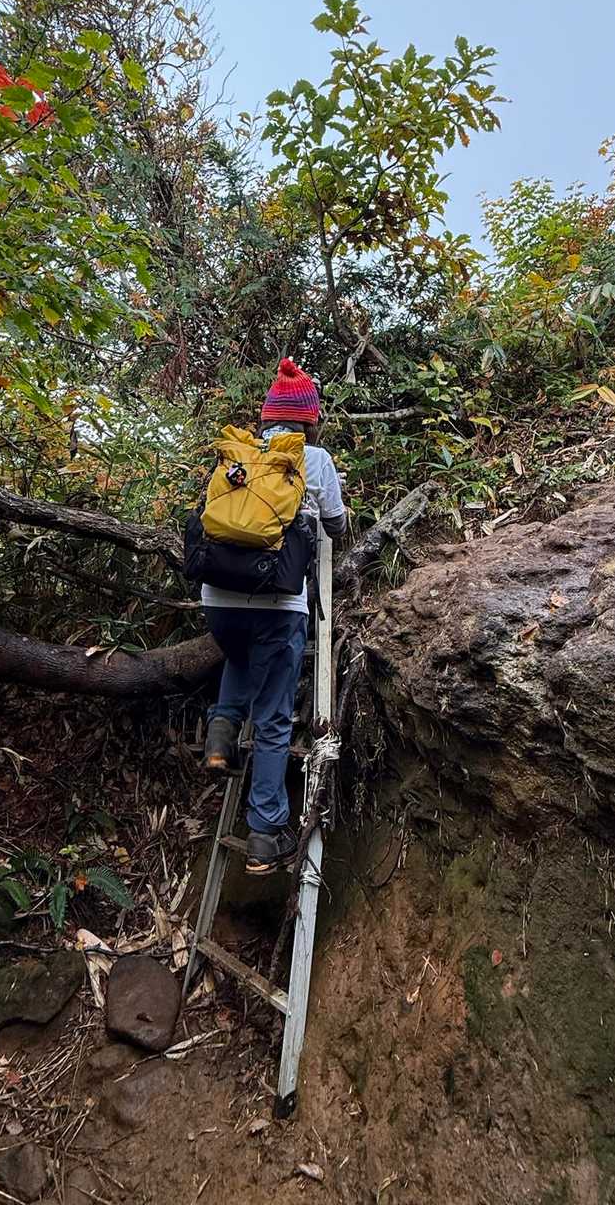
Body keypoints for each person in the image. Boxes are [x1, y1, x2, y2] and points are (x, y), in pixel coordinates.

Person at [202, 359, 346, 874]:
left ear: (266, 417)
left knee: (240, 655)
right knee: (273, 718)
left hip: (217, 599)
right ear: (310, 418)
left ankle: (220, 733)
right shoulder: (313, 458)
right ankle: (264, 834)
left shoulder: (238, 457)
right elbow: (336, 525)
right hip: (278, 604)